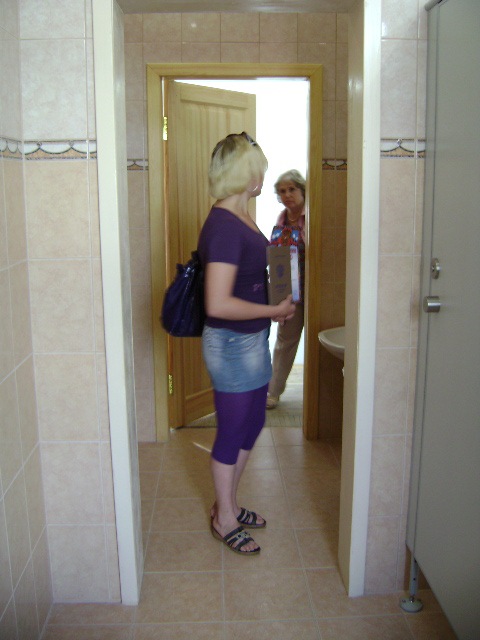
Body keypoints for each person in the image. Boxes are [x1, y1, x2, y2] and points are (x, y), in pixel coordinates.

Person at [198, 132, 296, 555]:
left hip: (252, 340)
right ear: (246, 173)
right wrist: (273, 311)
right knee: (233, 429)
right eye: (259, 168)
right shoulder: (223, 225)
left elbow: (248, 280)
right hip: (232, 345)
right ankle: (224, 518)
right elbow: (217, 303)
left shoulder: (242, 216)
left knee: (253, 423)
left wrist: (276, 303)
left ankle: (230, 505)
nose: (263, 176)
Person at [266, 170, 306, 410]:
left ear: (302, 190)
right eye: (282, 191)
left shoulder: (312, 217)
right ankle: (273, 392)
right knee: (284, 341)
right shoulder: (280, 222)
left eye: (292, 189)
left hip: (317, 287)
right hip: (291, 292)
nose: (287, 195)